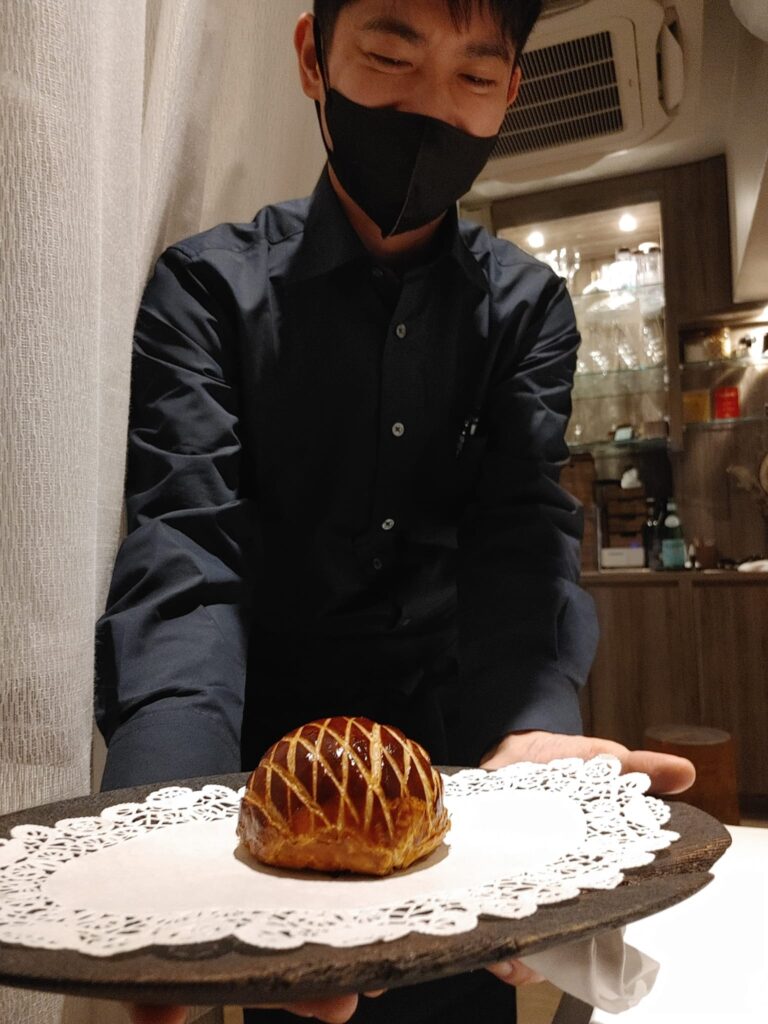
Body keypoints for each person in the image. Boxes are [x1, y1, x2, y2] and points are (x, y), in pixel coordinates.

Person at [94, 2, 695, 1022]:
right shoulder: (207, 291)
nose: (429, 111)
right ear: (312, 56)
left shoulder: (526, 309)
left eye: (475, 78)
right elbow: (188, 555)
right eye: (387, 55)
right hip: (264, 797)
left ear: (512, 91)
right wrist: (161, 827)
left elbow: (519, 540)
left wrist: (533, 731)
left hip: (456, 780)